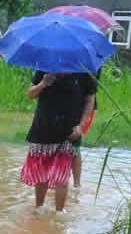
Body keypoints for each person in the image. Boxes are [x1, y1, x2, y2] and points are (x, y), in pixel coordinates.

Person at [21, 71, 97, 211]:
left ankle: (59, 213)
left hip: (69, 131)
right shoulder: (44, 69)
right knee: (41, 174)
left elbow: (90, 100)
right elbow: (31, 94)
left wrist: (81, 125)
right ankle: (38, 209)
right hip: (43, 128)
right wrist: (43, 83)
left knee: (62, 177)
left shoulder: (82, 72)